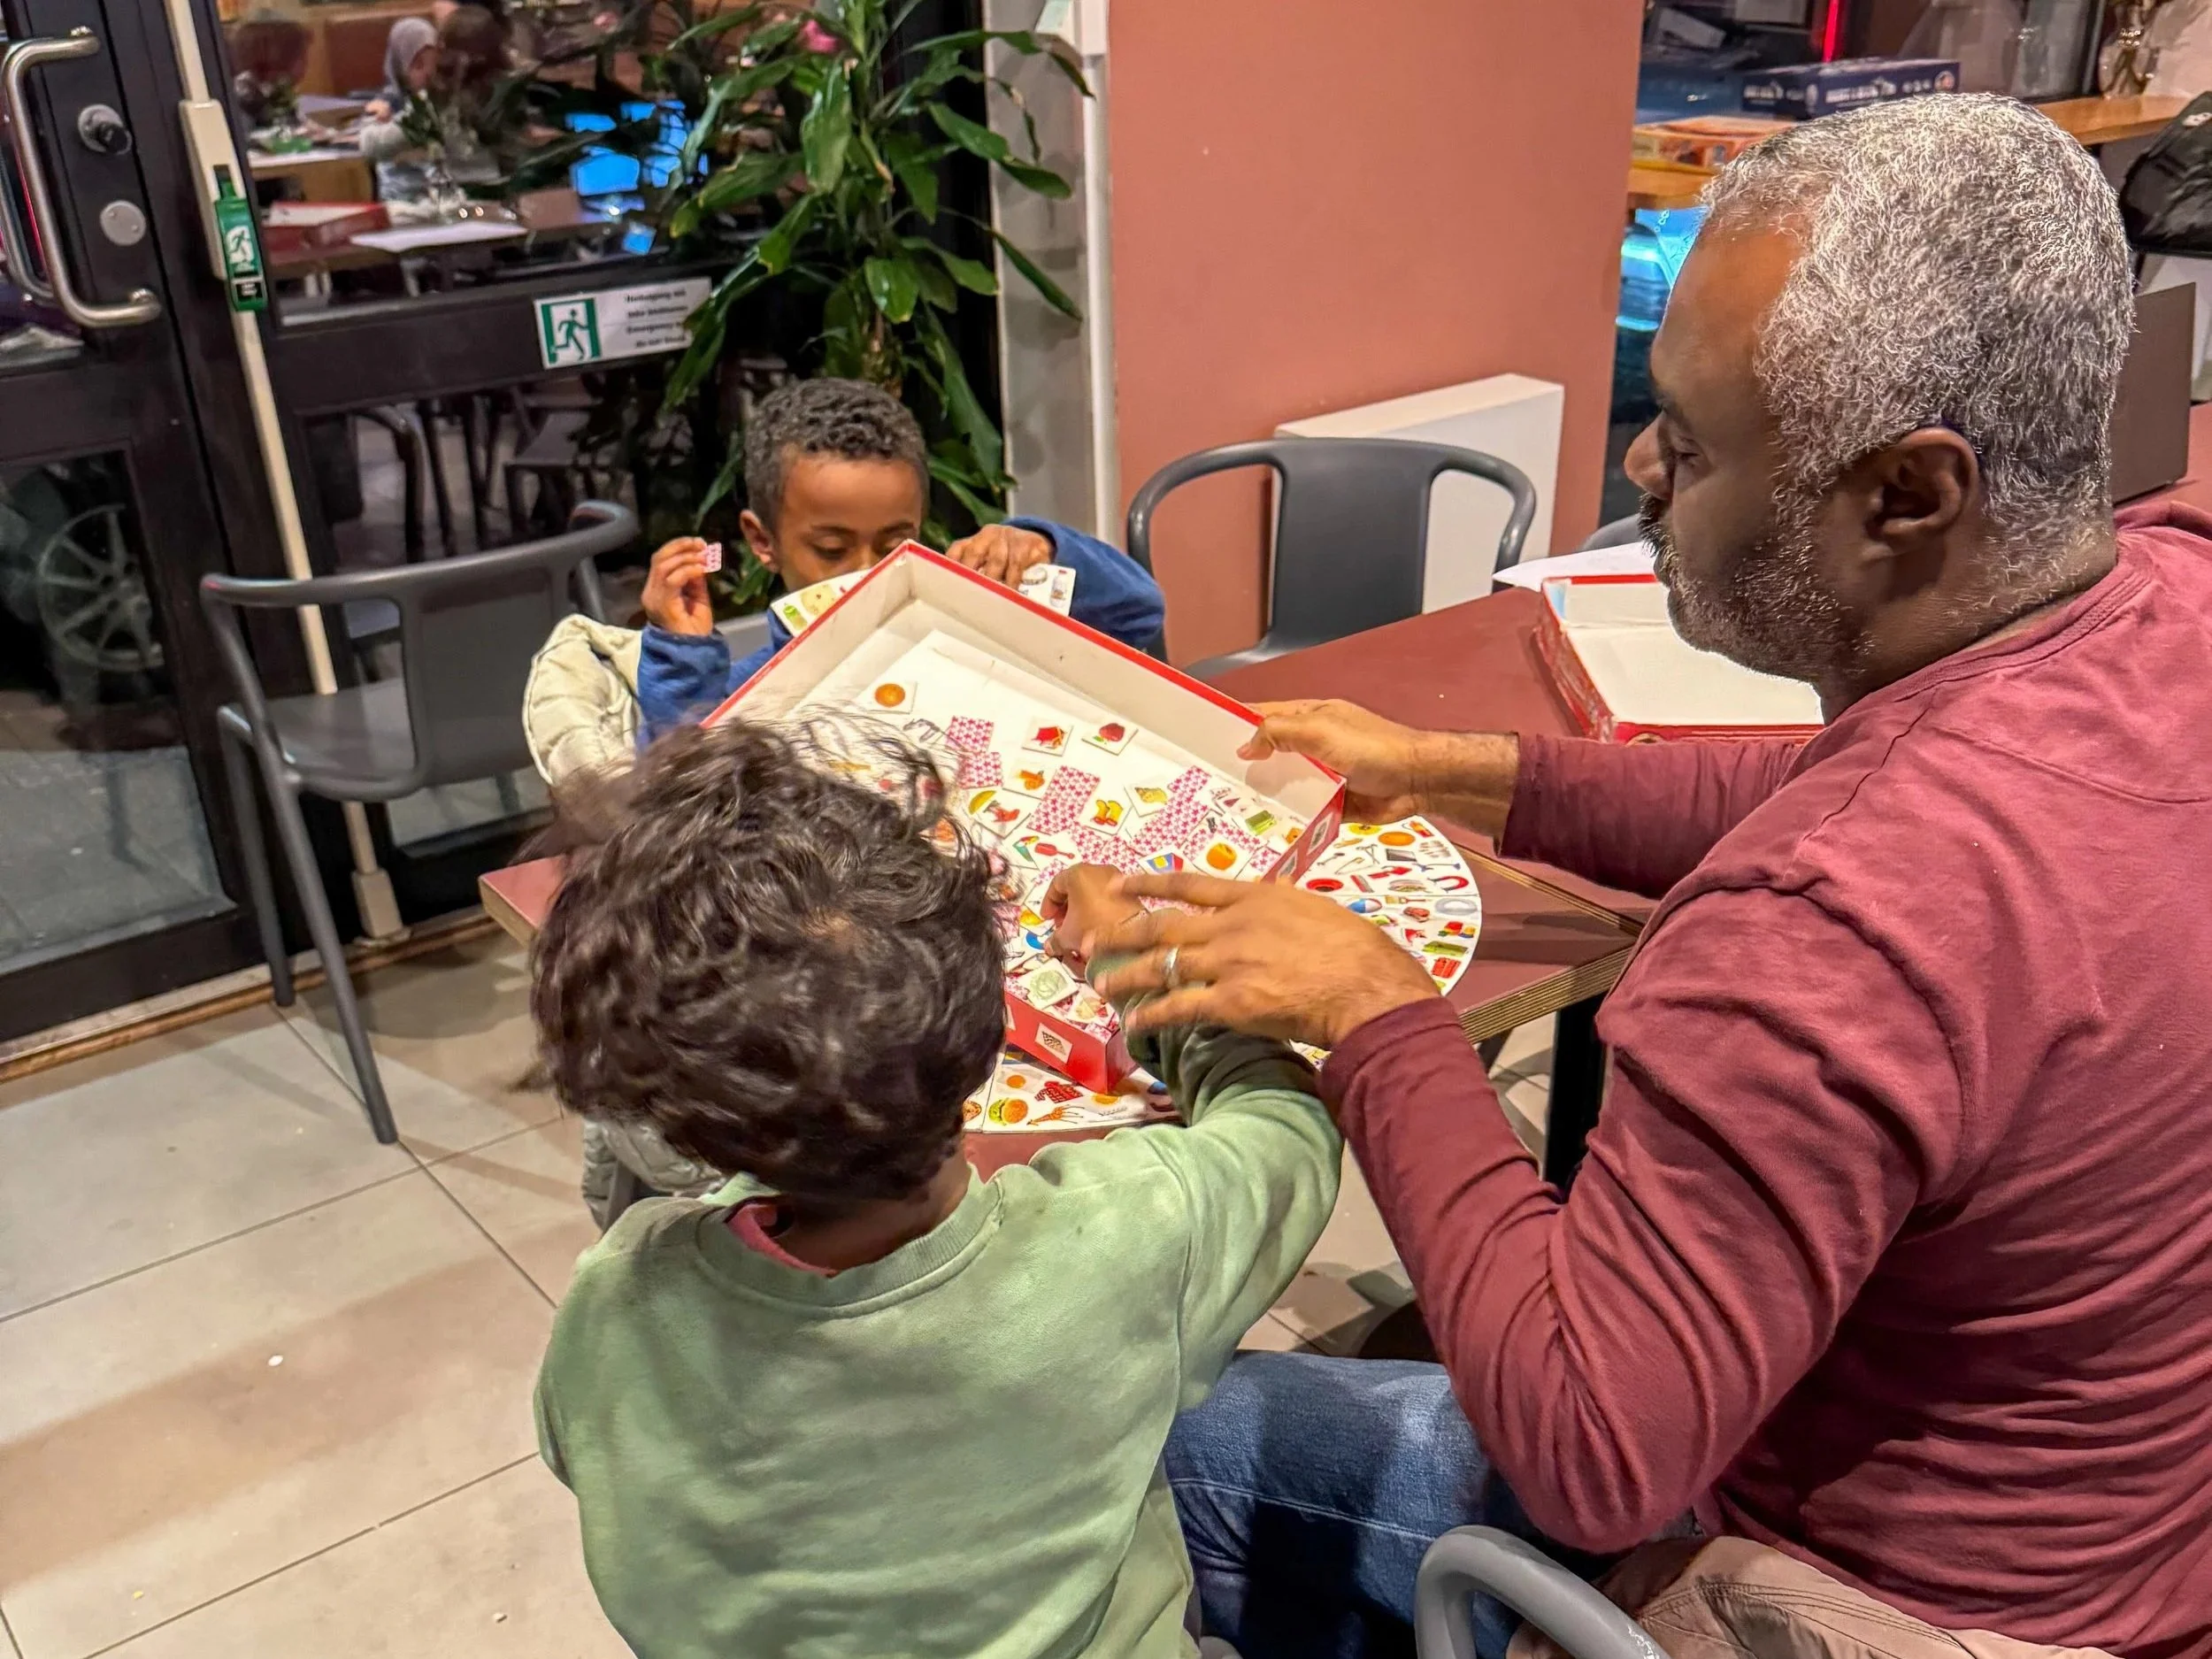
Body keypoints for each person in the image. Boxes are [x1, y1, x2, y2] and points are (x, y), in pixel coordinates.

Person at [1082, 95, 2212, 1659]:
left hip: (1884, 1608)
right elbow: (1837, 791)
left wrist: (1374, 1015)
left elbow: (1593, 1456)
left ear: (1908, 496)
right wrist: (1468, 770)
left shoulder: (1820, 928)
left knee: (1114, 1430)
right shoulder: (2170, 594)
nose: (1639, 462)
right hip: (2136, 1545)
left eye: (1692, 440)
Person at [528, 718, 1340, 1658]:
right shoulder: (1126, 1235)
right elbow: (1288, 1124)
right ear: (985, 1029)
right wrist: (1134, 962)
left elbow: (577, 1449)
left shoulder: (614, 1298)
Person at [635, 377, 1166, 739]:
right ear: (762, 542)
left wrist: (1044, 547)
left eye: (894, 546)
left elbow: (1138, 613)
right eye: (831, 550)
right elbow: (670, 803)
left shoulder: (971, 621)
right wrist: (682, 658)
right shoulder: (751, 694)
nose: (867, 572)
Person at [358, 7, 509, 220]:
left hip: (460, 211)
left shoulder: (437, 106)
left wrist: (371, 122)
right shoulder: (508, 93)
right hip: (501, 207)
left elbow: (371, 146)